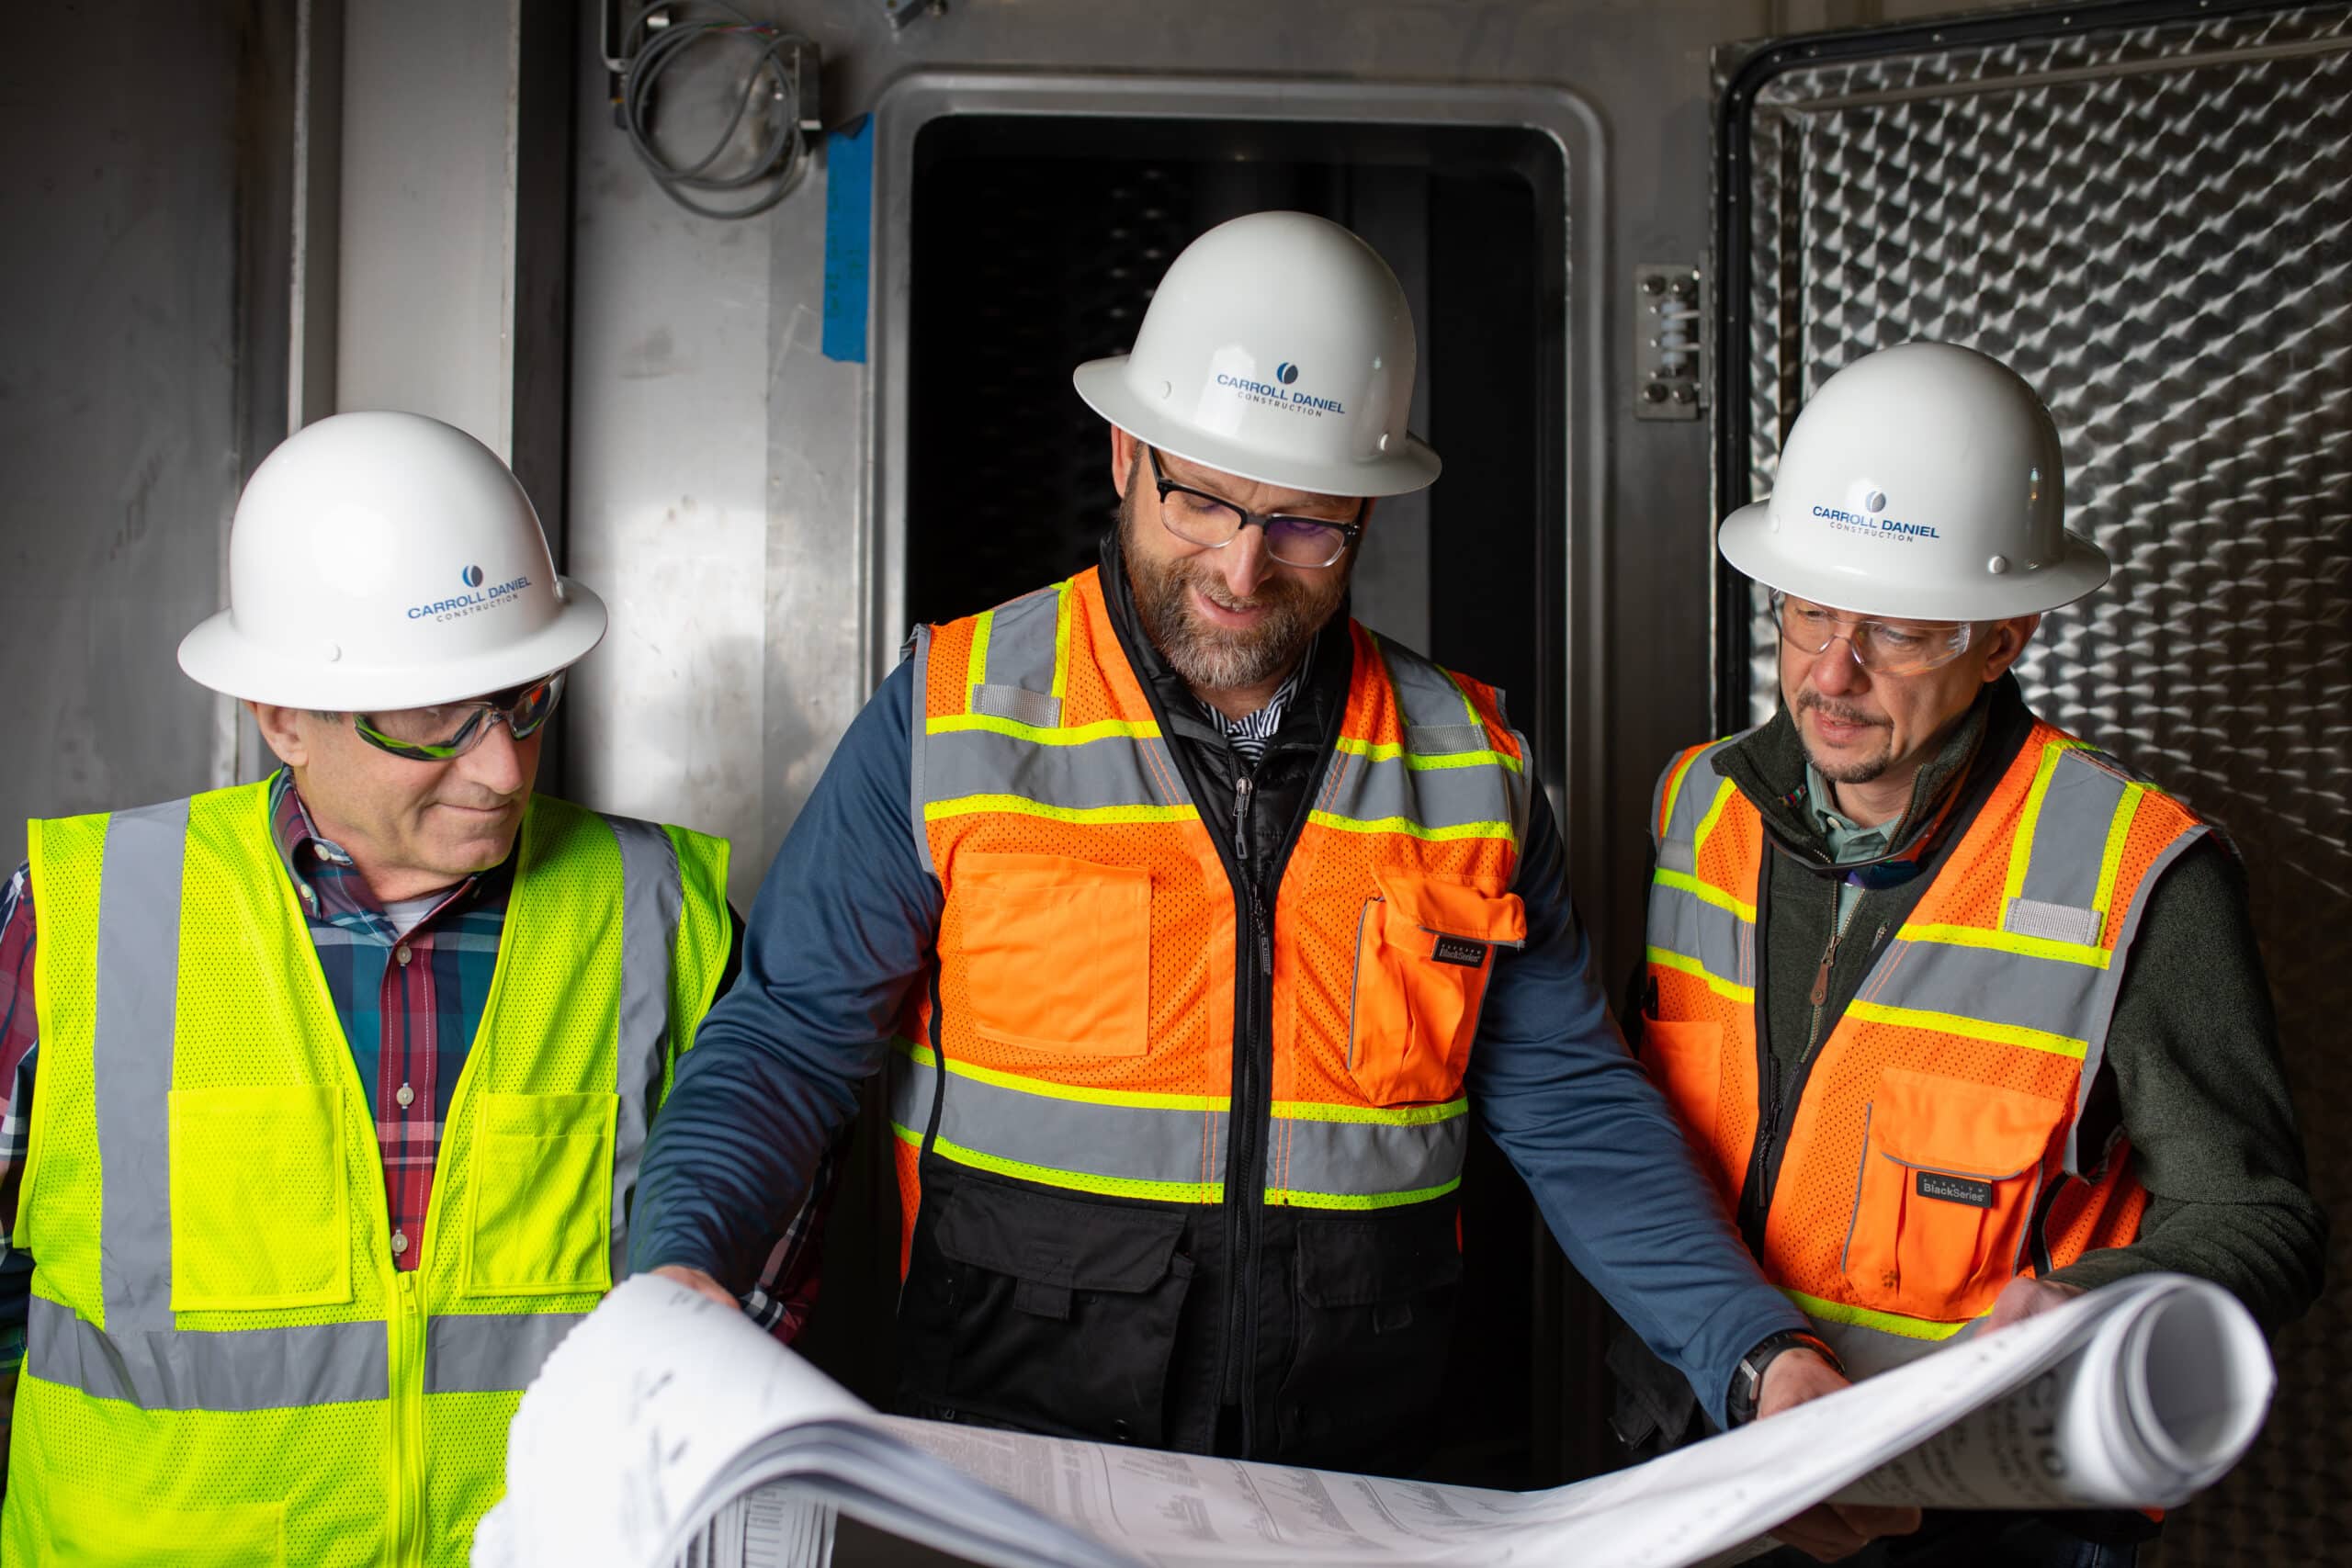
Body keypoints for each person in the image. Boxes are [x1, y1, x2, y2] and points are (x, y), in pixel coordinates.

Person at [627, 211, 1909, 1551]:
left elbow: (1579, 1109)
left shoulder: (1471, 763)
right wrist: (683, 1264)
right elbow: (783, 1040)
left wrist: (1760, 1354)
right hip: (1007, 1471)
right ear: (1125, 452)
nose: (1243, 568)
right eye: (1202, 498)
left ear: (1367, 509)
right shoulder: (952, 715)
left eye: (1304, 524)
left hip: (1352, 1488)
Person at [0, 412, 759, 1564]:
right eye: (429, 716)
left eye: (522, 700)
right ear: (281, 714)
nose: (501, 765)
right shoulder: (77, 919)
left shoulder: (664, 912)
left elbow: (755, 1288)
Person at [1620, 342, 2326, 1564]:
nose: (1831, 671)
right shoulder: (1698, 805)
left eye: (1896, 630)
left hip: (1987, 1521)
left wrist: (2089, 1309)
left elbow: (2259, 1216)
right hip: (1707, 1461)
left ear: (2003, 636)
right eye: (1809, 607)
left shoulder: (2141, 873)